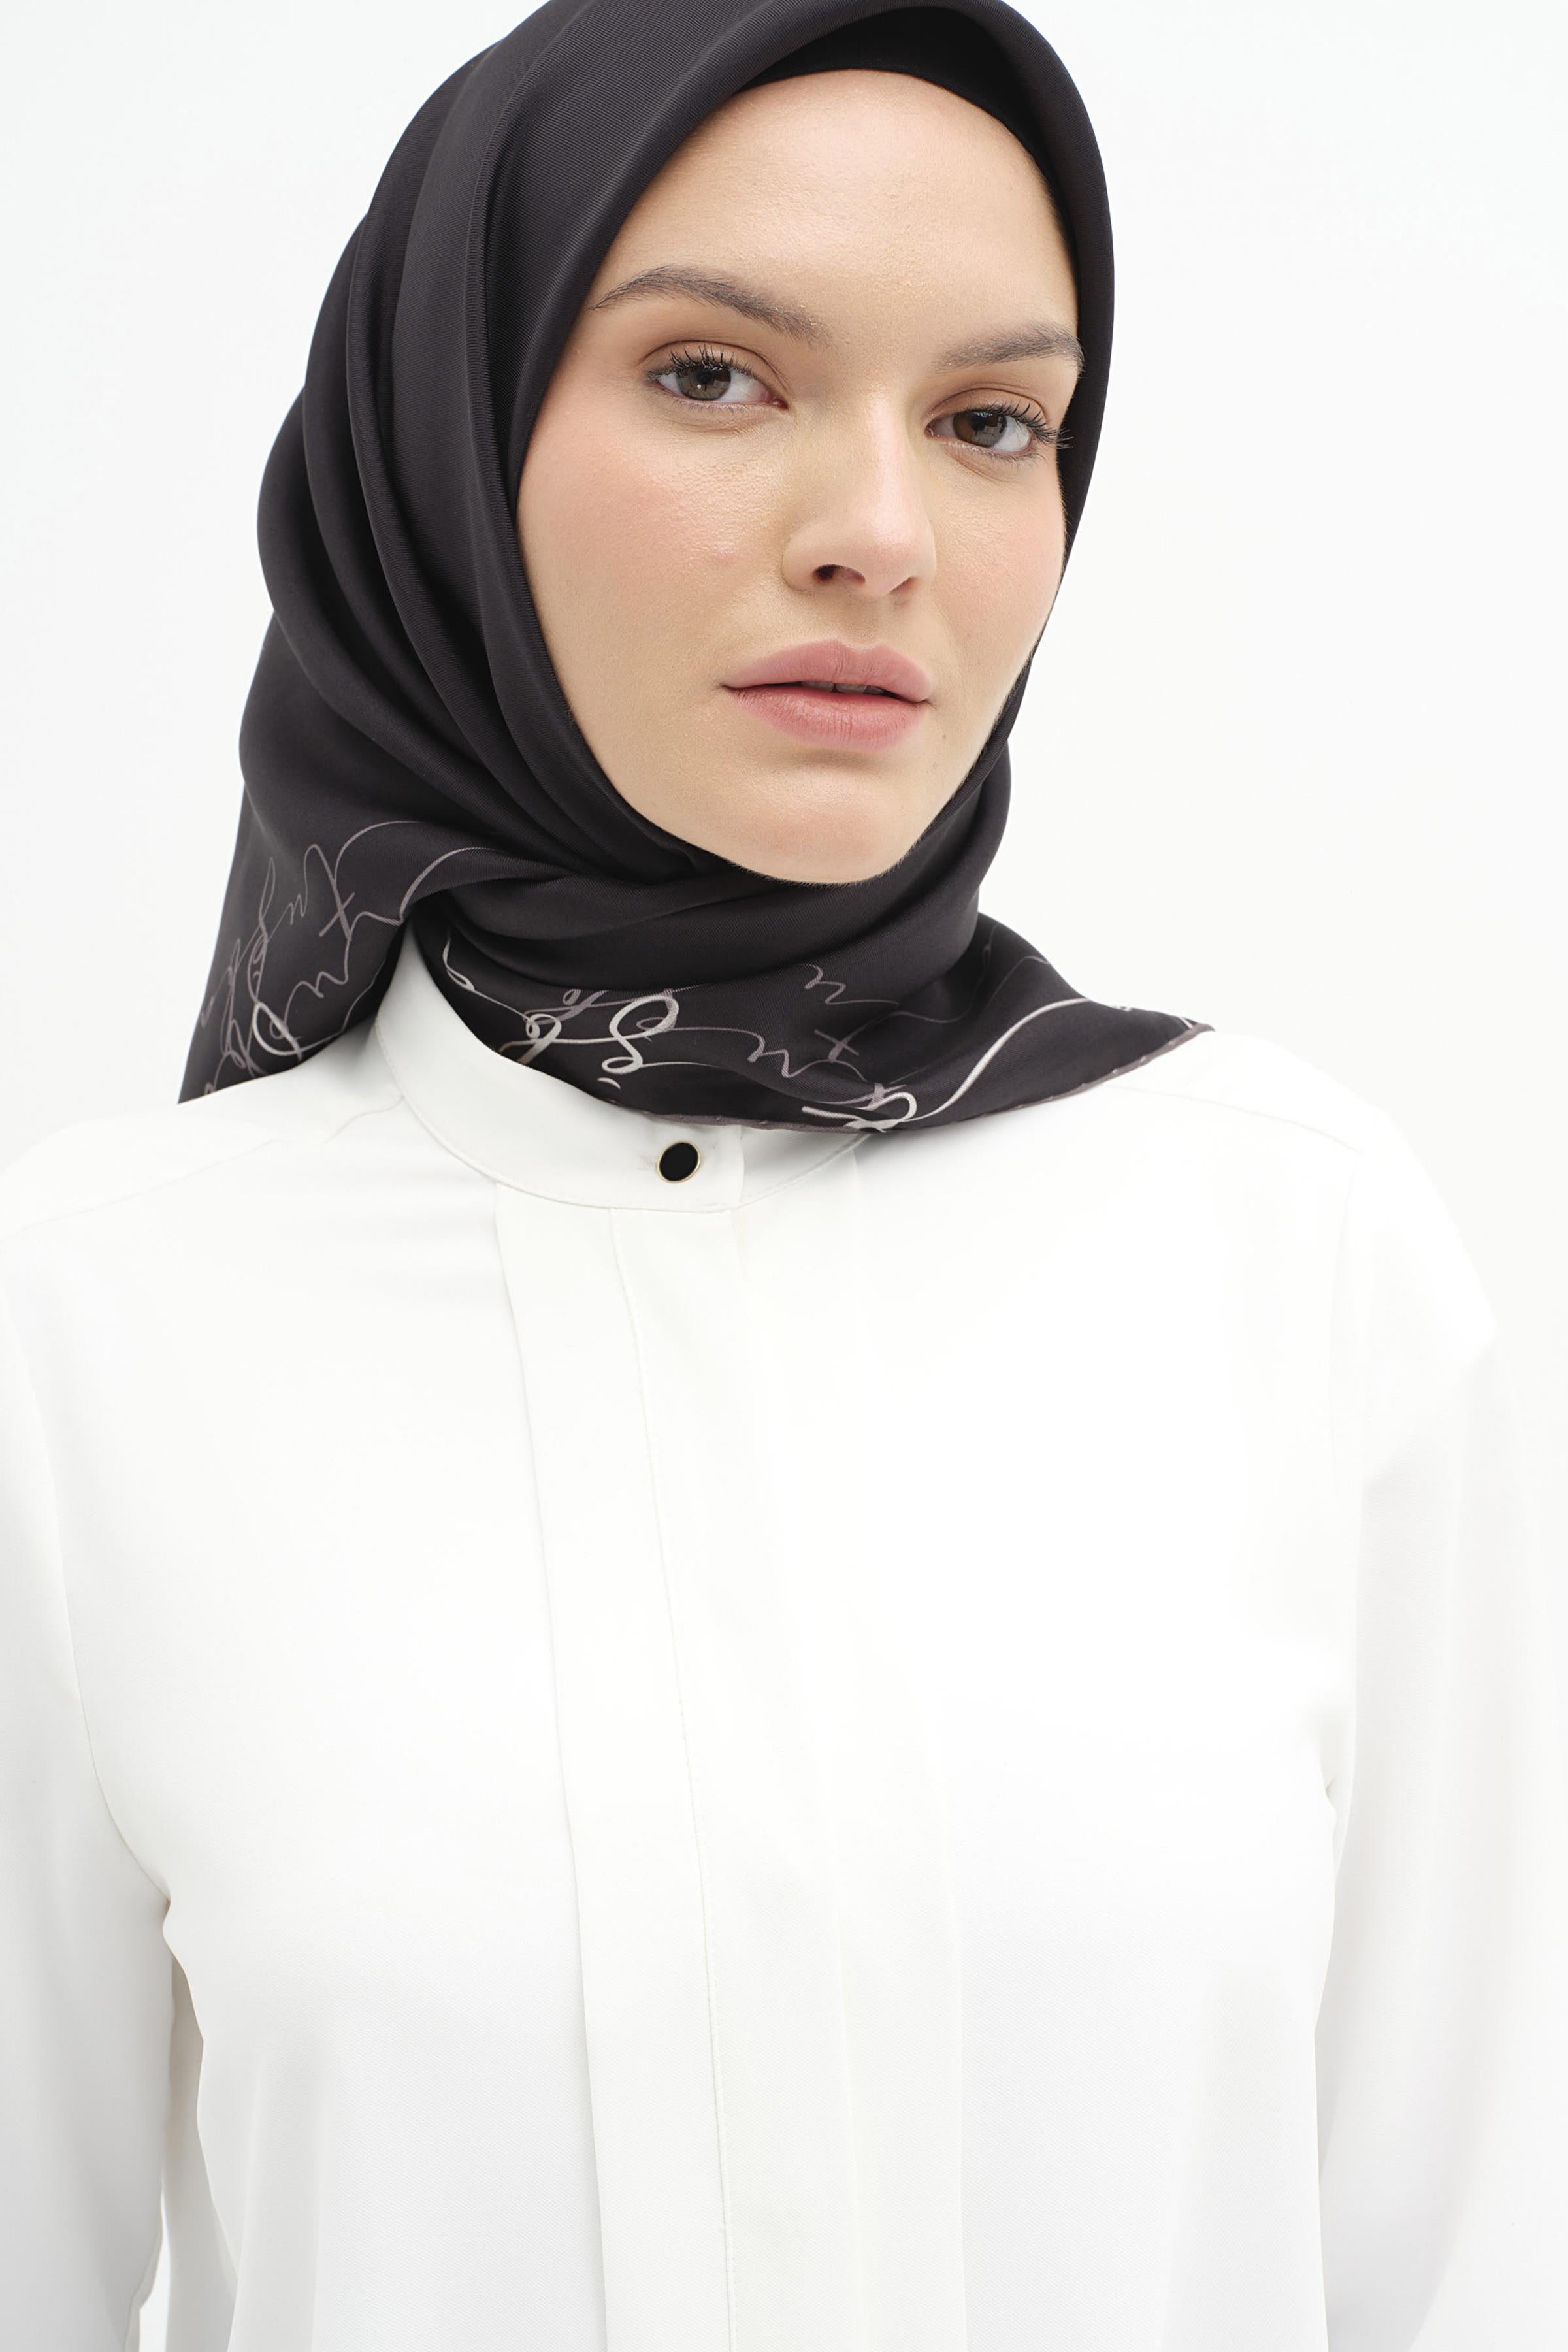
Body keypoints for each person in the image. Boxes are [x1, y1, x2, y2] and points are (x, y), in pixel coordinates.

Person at [3, 3, 1564, 2346]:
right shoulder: (93, 1327)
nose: (880, 537)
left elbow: (1478, 2268)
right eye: (714, 377)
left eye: (991, 422)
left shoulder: (1295, 1254)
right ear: (445, 439)